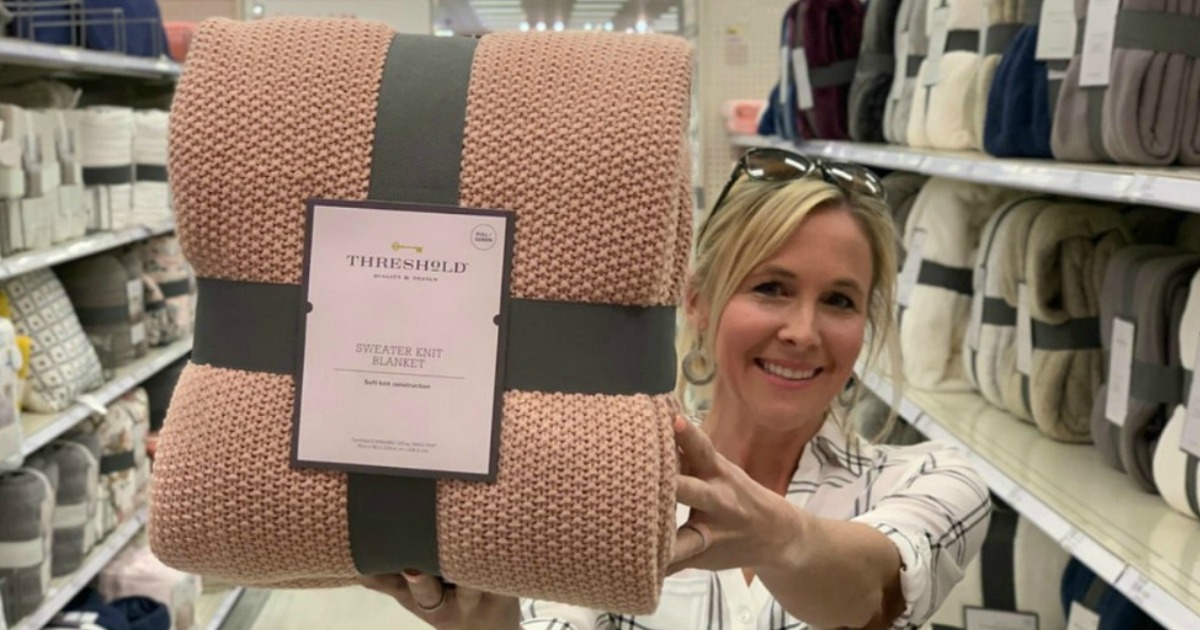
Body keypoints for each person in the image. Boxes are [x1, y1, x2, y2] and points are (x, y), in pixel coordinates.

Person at [360, 148, 991, 629]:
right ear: (697, 302)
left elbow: (877, 591)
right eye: (770, 288)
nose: (802, 331)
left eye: (839, 300)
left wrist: (780, 537)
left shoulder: (934, 479)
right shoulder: (609, 490)